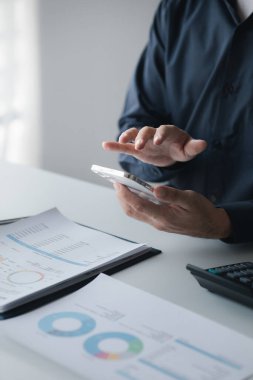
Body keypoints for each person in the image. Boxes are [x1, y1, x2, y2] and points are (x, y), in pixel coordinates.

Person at [103, 0, 253, 244]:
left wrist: (230, 221)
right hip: (178, 240)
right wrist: (158, 155)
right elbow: (136, 122)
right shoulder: (179, 7)